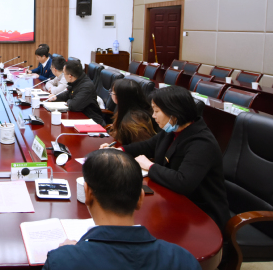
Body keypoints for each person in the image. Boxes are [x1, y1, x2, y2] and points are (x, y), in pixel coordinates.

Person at [42, 149, 201, 270]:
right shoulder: (183, 260)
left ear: (87, 193)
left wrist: (68, 254)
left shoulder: (62, 262)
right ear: (140, 198)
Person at [103, 85, 230, 233]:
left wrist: (150, 166)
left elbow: (183, 182)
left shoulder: (202, 143)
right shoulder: (173, 130)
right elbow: (148, 146)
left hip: (201, 215)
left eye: (157, 111)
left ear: (174, 113)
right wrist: (120, 150)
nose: (153, 116)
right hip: (172, 199)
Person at [46, 60, 105, 126]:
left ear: (70, 76)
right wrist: (56, 97)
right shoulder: (76, 81)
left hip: (92, 123)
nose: (63, 76)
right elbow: (67, 94)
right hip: (80, 118)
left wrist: (68, 101)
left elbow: (74, 106)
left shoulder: (87, 86)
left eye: (64, 74)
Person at [106, 79, 157, 145]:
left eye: (112, 92)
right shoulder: (126, 109)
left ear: (120, 97)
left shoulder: (134, 123)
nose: (111, 94)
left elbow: (143, 147)